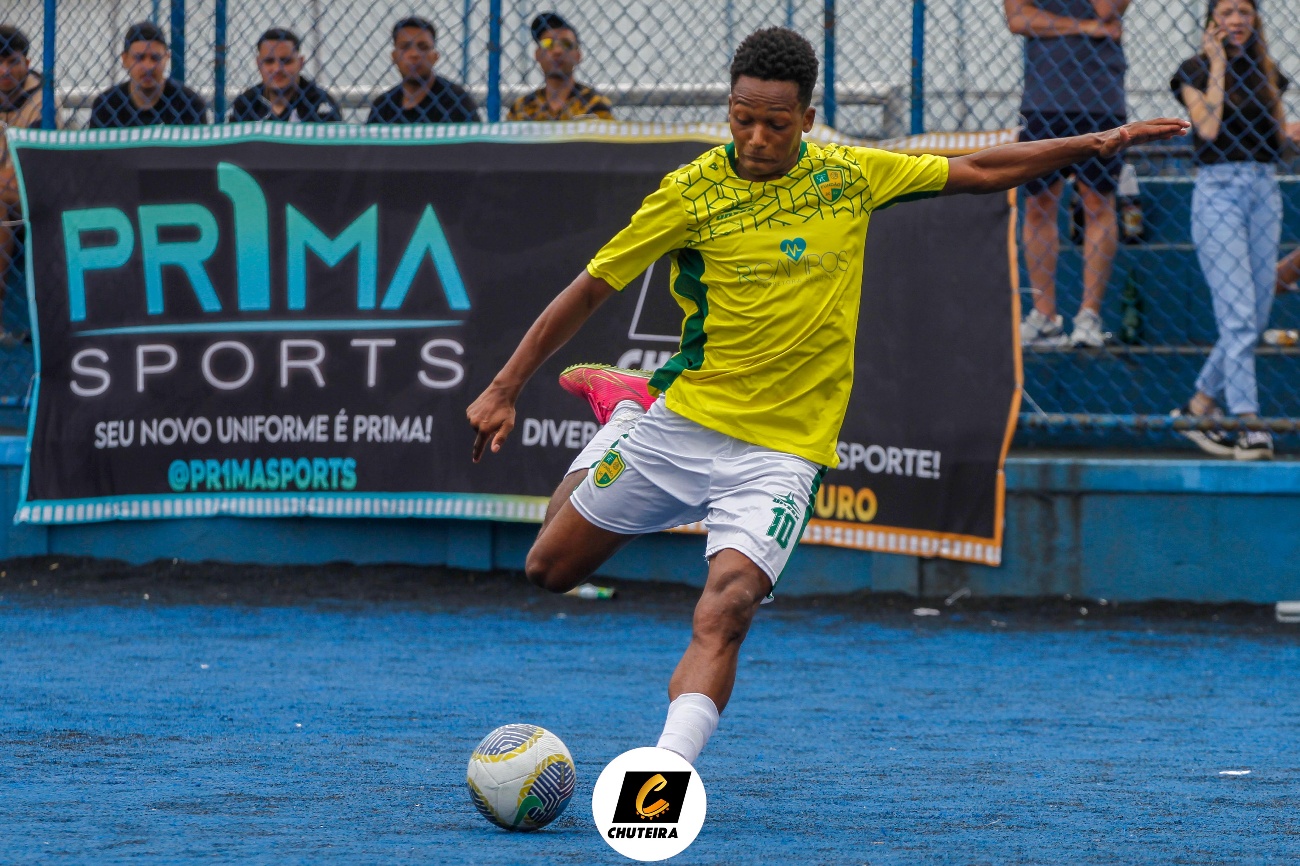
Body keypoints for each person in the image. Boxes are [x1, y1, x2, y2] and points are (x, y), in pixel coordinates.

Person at [466, 27, 1186, 765]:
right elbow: (589, 290)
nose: (756, 138)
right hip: (682, 422)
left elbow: (977, 168)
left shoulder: (848, 175)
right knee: (549, 570)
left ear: (807, 120)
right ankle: (626, 415)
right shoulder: (688, 193)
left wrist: (1092, 142)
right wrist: (503, 387)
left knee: (729, 606)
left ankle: (665, 776)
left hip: (782, 453)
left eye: (775, 124)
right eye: (743, 118)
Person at [1170, 0, 1297, 461]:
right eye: (1227, 12)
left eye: (1244, 11)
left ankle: (1199, 404)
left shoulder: (1269, 71)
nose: (1237, 20)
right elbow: (1207, 127)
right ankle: (1248, 422)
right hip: (1218, 190)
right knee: (1240, 314)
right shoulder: (1192, 70)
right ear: (1213, 22)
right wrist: (1218, 64)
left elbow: (1279, 133)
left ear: (1254, 19)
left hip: (1264, 188)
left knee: (1255, 314)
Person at [1005, 0, 1128, 348]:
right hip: (1043, 98)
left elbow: (1107, 12)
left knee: (1097, 202)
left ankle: (1089, 316)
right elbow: (1018, 19)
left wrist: (1076, 23)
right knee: (1038, 203)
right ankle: (1045, 317)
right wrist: (1084, 27)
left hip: (1100, 97)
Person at [0, 25, 51, 348]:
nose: (4, 71)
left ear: (27, 62)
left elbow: (28, 174)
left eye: (12, 62)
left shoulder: (43, 100)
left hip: (33, 200)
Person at [90, 22, 206, 128]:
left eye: (155, 58)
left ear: (166, 58)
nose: (148, 67)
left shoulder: (189, 104)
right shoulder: (106, 105)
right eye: (139, 58)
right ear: (125, 59)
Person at [367, 17, 479, 124]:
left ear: (435, 56)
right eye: (405, 47)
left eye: (423, 47)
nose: (414, 54)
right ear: (394, 56)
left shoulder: (456, 102)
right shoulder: (383, 105)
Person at [507, 12, 613, 122]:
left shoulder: (594, 104)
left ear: (578, 55)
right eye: (548, 44)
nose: (557, 51)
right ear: (537, 54)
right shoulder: (521, 108)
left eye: (566, 44)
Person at [228, 28, 341, 123]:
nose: (277, 69)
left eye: (286, 61)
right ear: (258, 64)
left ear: (300, 62)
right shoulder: (245, 103)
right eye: (269, 61)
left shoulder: (319, 103)